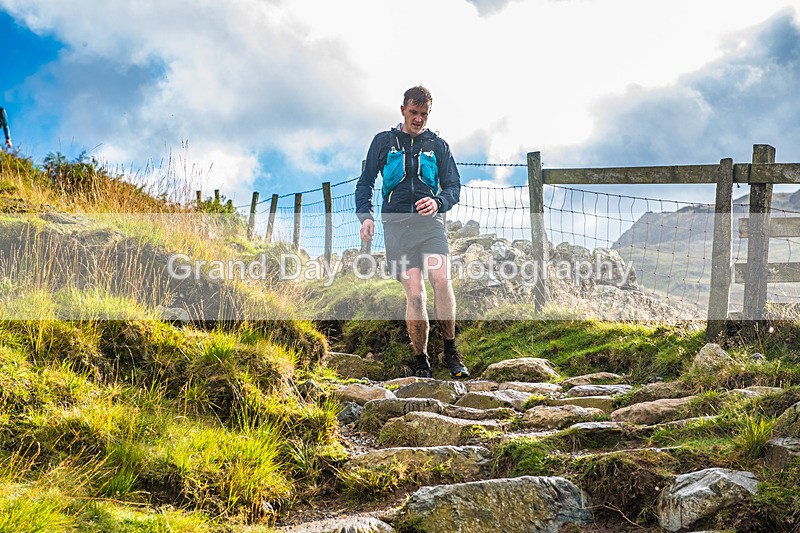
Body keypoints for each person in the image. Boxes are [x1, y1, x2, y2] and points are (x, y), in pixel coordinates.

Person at [355, 86, 470, 379]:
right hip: (397, 228)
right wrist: (365, 217)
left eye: (424, 114)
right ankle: (421, 361)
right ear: (403, 109)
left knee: (442, 281)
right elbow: (365, 182)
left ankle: (451, 351)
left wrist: (438, 201)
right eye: (414, 112)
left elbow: (454, 187)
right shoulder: (383, 142)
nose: (418, 119)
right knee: (416, 295)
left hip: (430, 225)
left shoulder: (438, 146)